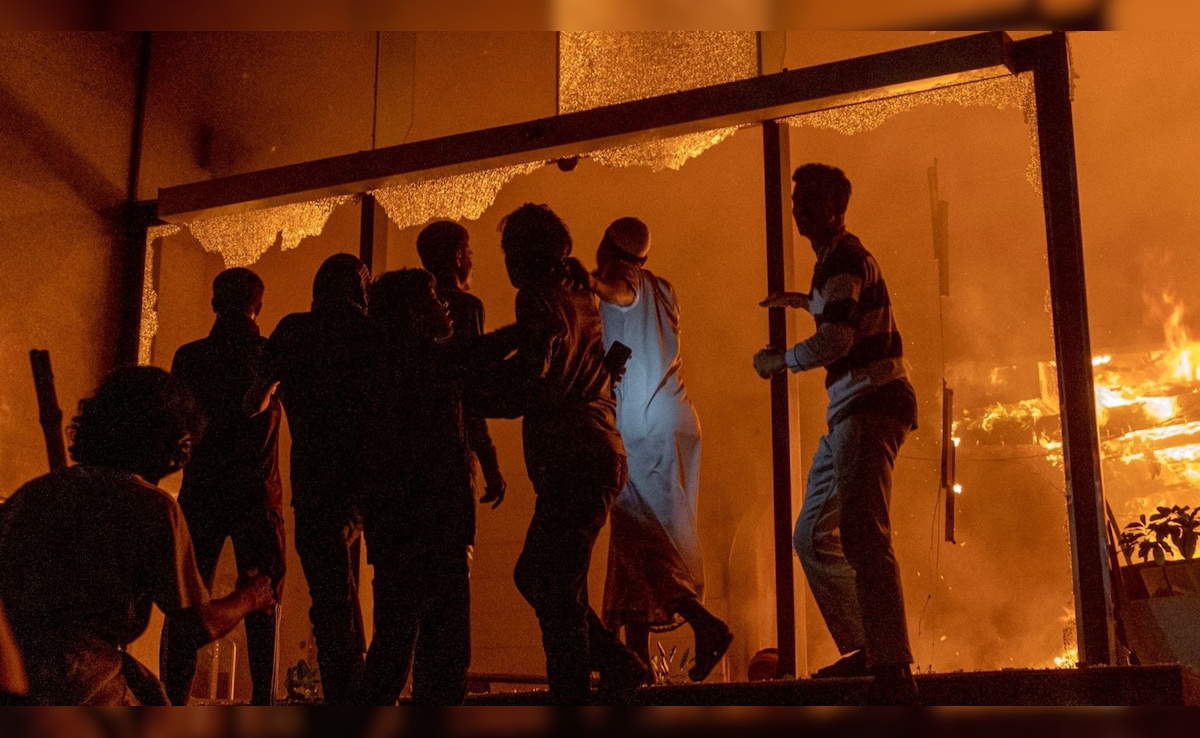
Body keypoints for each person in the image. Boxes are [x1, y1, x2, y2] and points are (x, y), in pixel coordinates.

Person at [0, 367, 275, 705]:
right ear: (176, 445)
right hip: (82, 685)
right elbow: (195, 626)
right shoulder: (153, 507)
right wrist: (250, 597)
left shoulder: (32, 494)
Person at [754, 163, 919, 705]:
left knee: (864, 534)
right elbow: (842, 313)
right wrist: (805, 302)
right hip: (853, 410)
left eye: (808, 199)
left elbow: (837, 340)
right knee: (811, 534)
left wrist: (780, 361)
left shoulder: (843, 260)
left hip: (869, 404)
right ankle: (873, 648)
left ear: (836, 207)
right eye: (796, 198)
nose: (797, 208)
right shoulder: (836, 262)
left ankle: (891, 664)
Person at [472, 203, 648, 704]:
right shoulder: (577, 292)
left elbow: (534, 378)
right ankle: (613, 665)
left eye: (508, 250)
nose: (505, 261)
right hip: (597, 452)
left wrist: (469, 394)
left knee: (547, 580)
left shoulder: (536, 297)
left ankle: (581, 688)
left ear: (522, 254)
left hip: (575, 456)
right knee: (550, 578)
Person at [592, 217, 730, 681]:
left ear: (608, 250)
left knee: (644, 542)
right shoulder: (664, 289)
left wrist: (588, 282)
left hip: (643, 432)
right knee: (639, 543)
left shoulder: (622, 282)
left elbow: (619, 292)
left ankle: (703, 624)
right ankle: (637, 660)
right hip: (676, 423)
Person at [247, 253, 377, 705]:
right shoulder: (371, 333)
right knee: (368, 591)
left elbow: (253, 401)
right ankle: (366, 686)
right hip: (367, 479)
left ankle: (345, 692)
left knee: (331, 594)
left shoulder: (293, 331)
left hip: (314, 481)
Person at [161, 267, 286, 706]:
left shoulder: (189, 358)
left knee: (184, 600)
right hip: (257, 492)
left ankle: (170, 703)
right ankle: (263, 704)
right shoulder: (270, 355)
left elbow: (178, 423)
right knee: (264, 600)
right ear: (258, 306)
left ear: (215, 304)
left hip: (203, 490)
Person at [358, 269, 481, 705]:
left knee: (397, 641)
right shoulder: (421, 361)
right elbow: (481, 363)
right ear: (411, 312)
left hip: (401, 528)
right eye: (431, 297)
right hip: (433, 526)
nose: (443, 303)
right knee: (440, 654)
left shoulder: (382, 367)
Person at [416, 220, 507, 509]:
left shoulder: (410, 309)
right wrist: (489, 462)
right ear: (457, 256)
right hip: (454, 448)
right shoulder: (467, 307)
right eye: (469, 253)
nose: (472, 262)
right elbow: (471, 385)